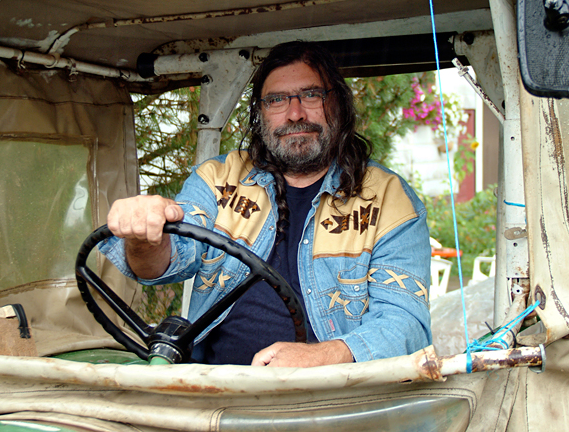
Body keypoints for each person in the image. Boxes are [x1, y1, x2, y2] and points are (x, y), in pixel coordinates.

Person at [100, 41, 432, 367]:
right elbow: (163, 265)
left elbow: (406, 324)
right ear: (260, 113)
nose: (295, 114)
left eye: (311, 95)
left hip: (330, 393)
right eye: (276, 100)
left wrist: (322, 357)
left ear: (339, 104)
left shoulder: (388, 199)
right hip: (210, 385)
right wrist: (143, 237)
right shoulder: (217, 178)